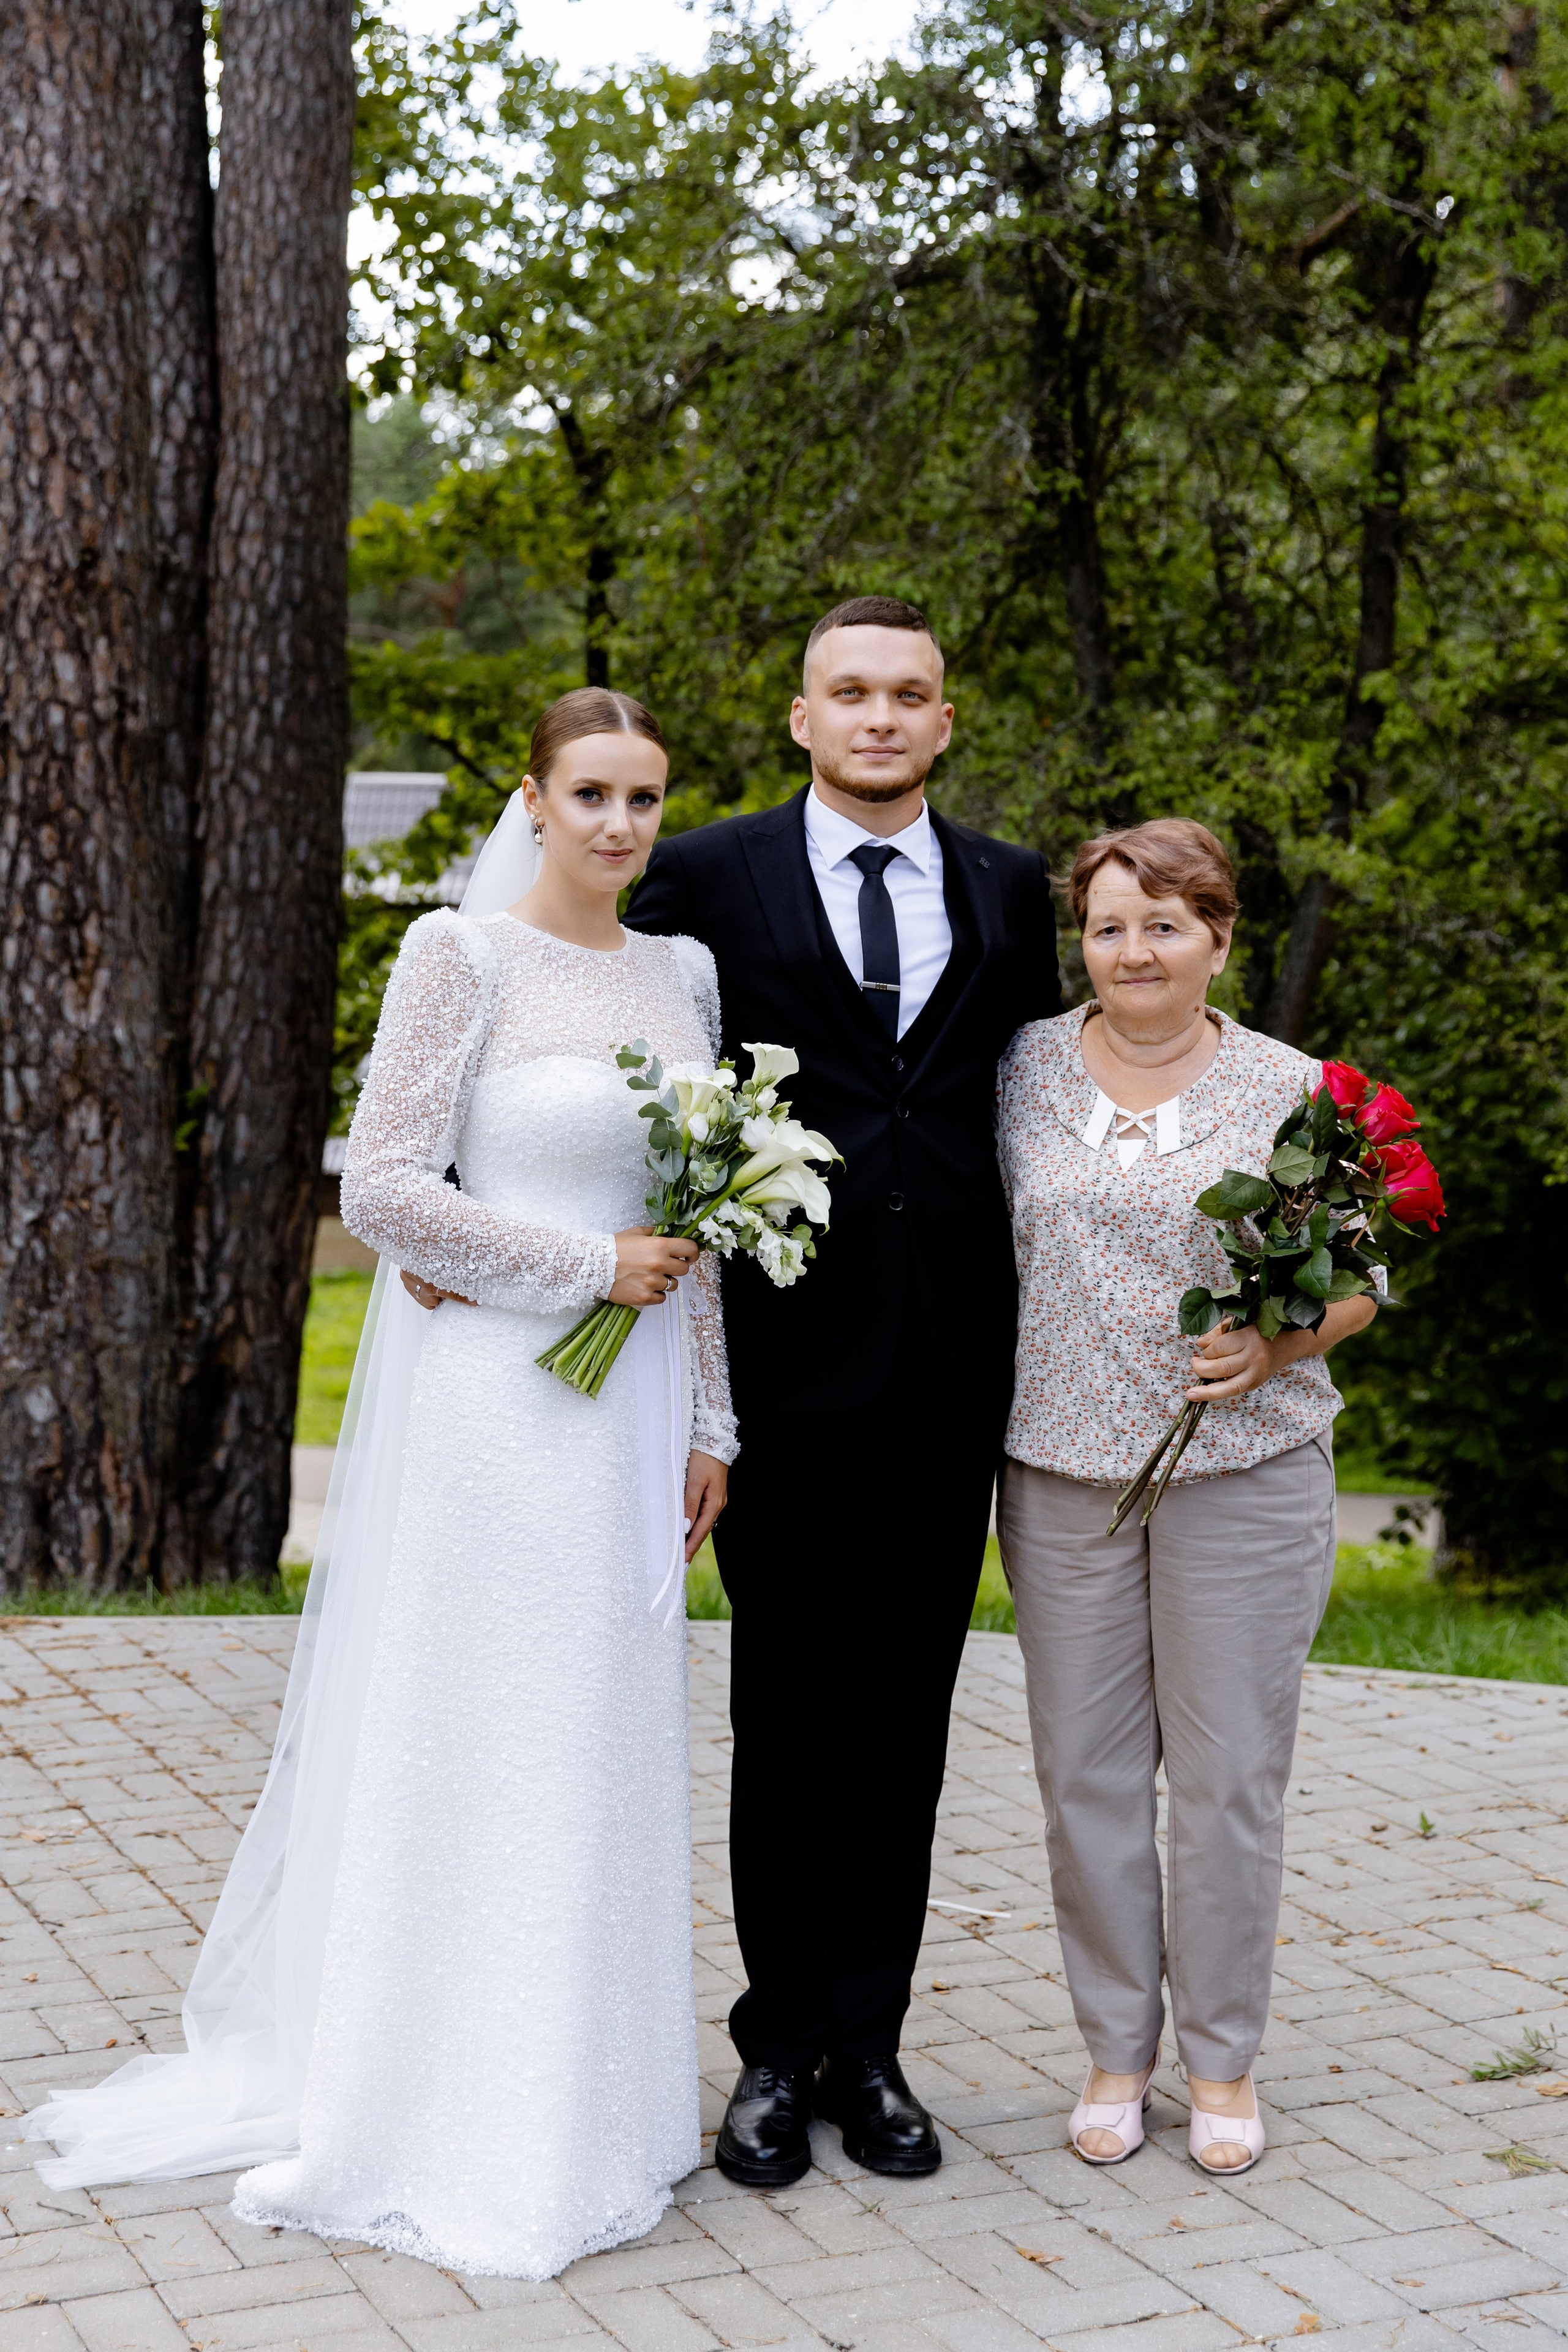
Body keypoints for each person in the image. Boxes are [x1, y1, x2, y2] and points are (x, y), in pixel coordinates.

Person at [26, 688, 737, 2280]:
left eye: (647, 801)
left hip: (629, 1427)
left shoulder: (684, 974)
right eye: (594, 796)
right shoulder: (456, 957)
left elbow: (697, 1230)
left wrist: (714, 1426)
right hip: (502, 1417)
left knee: (604, 1748)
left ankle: (599, 2116)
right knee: (483, 1741)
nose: (623, 827)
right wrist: (579, 1266)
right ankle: (441, 2118)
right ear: (532, 800)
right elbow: (391, 1188)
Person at [625, 595, 1060, 2185]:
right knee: (788, 1718)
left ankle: (869, 2051)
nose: (881, 717)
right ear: (801, 715)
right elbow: (630, 1064)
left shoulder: (1014, 894)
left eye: (910, 694)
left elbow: (1034, 1113)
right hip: (783, 1376)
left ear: (947, 721)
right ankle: (771, 2051)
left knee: (909, 1726)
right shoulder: (706, 877)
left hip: (952, 1372)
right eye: (850, 693)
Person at [995, 818, 1378, 2178]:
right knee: (1085, 1782)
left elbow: (1361, 1276)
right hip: (1058, 1477)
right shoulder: (1022, 1069)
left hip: (1243, 1477)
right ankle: (1115, 2051)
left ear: (1218, 936)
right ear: (1079, 942)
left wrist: (1275, 1341)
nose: (1133, 949)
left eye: (1163, 923)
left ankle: (1220, 2060)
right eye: (1107, 924)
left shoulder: (1288, 1089)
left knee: (1223, 1786)